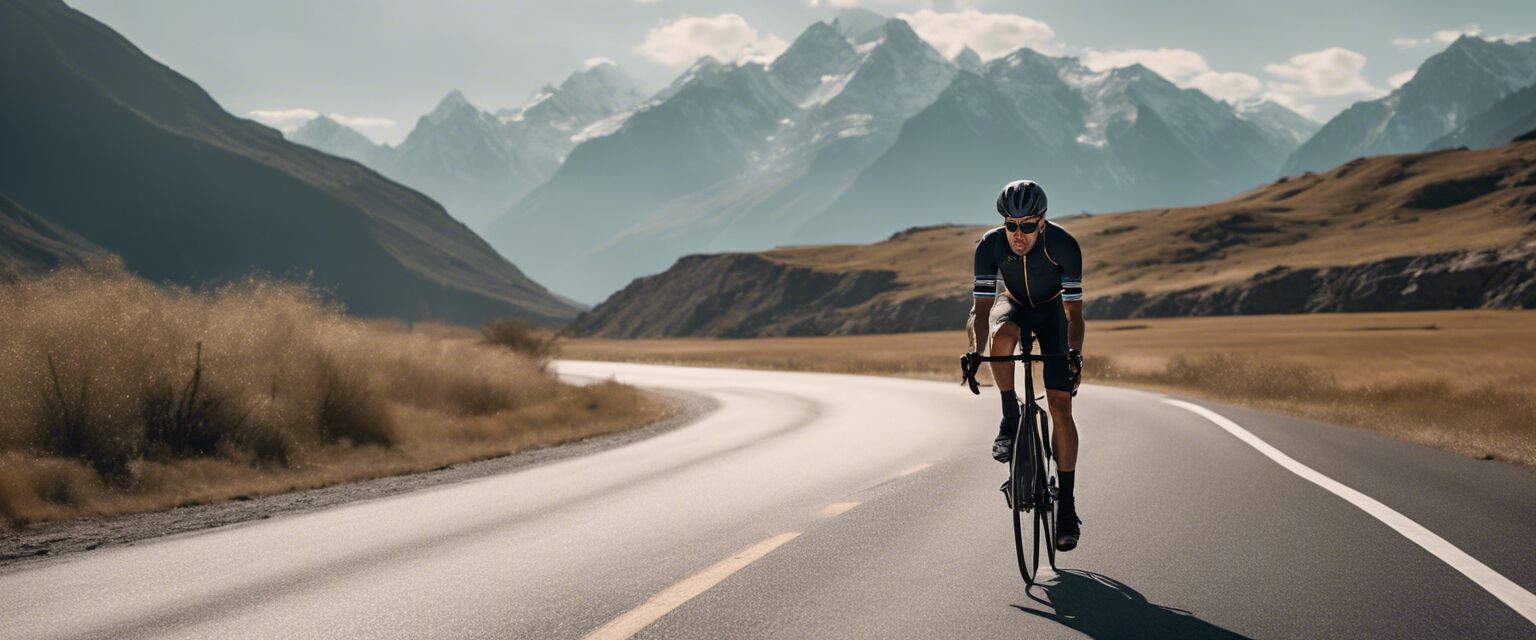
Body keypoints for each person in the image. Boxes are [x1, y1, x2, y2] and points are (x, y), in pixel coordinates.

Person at [966, 179, 1086, 552]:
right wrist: (973, 351)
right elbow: (980, 312)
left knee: (1060, 406)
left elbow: (1074, 314)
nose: (1018, 235)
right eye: (1011, 225)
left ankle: (1066, 506)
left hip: (1052, 314)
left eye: (1027, 226)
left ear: (1042, 222)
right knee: (999, 339)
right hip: (1013, 303)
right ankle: (1008, 417)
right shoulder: (990, 246)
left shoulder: (1064, 246)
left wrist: (1074, 353)